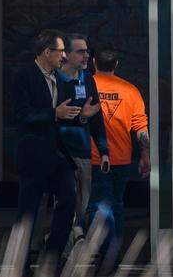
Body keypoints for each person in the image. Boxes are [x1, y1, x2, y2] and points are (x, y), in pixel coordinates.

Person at [11, 30, 81, 276]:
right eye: (60, 51)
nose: (64, 56)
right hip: (32, 153)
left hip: (55, 153)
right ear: (46, 52)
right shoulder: (23, 77)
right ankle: (19, 265)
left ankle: (51, 257)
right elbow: (20, 117)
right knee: (29, 210)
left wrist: (81, 116)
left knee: (69, 199)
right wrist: (53, 114)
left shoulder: (60, 79)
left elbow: (63, 115)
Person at [86, 46, 150, 273]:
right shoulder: (130, 91)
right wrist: (145, 155)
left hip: (93, 159)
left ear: (94, 63)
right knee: (117, 205)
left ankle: (106, 256)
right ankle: (112, 253)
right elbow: (140, 127)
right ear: (116, 65)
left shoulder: (86, 86)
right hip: (122, 160)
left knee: (99, 207)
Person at [54, 33, 108, 248]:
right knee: (64, 199)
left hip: (83, 150)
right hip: (60, 151)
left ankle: (71, 238)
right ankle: (61, 247)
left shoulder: (88, 79)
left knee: (83, 202)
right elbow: (53, 116)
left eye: (87, 51)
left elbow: (96, 116)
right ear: (66, 55)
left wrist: (103, 149)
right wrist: (81, 116)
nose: (86, 55)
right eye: (81, 51)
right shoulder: (55, 79)